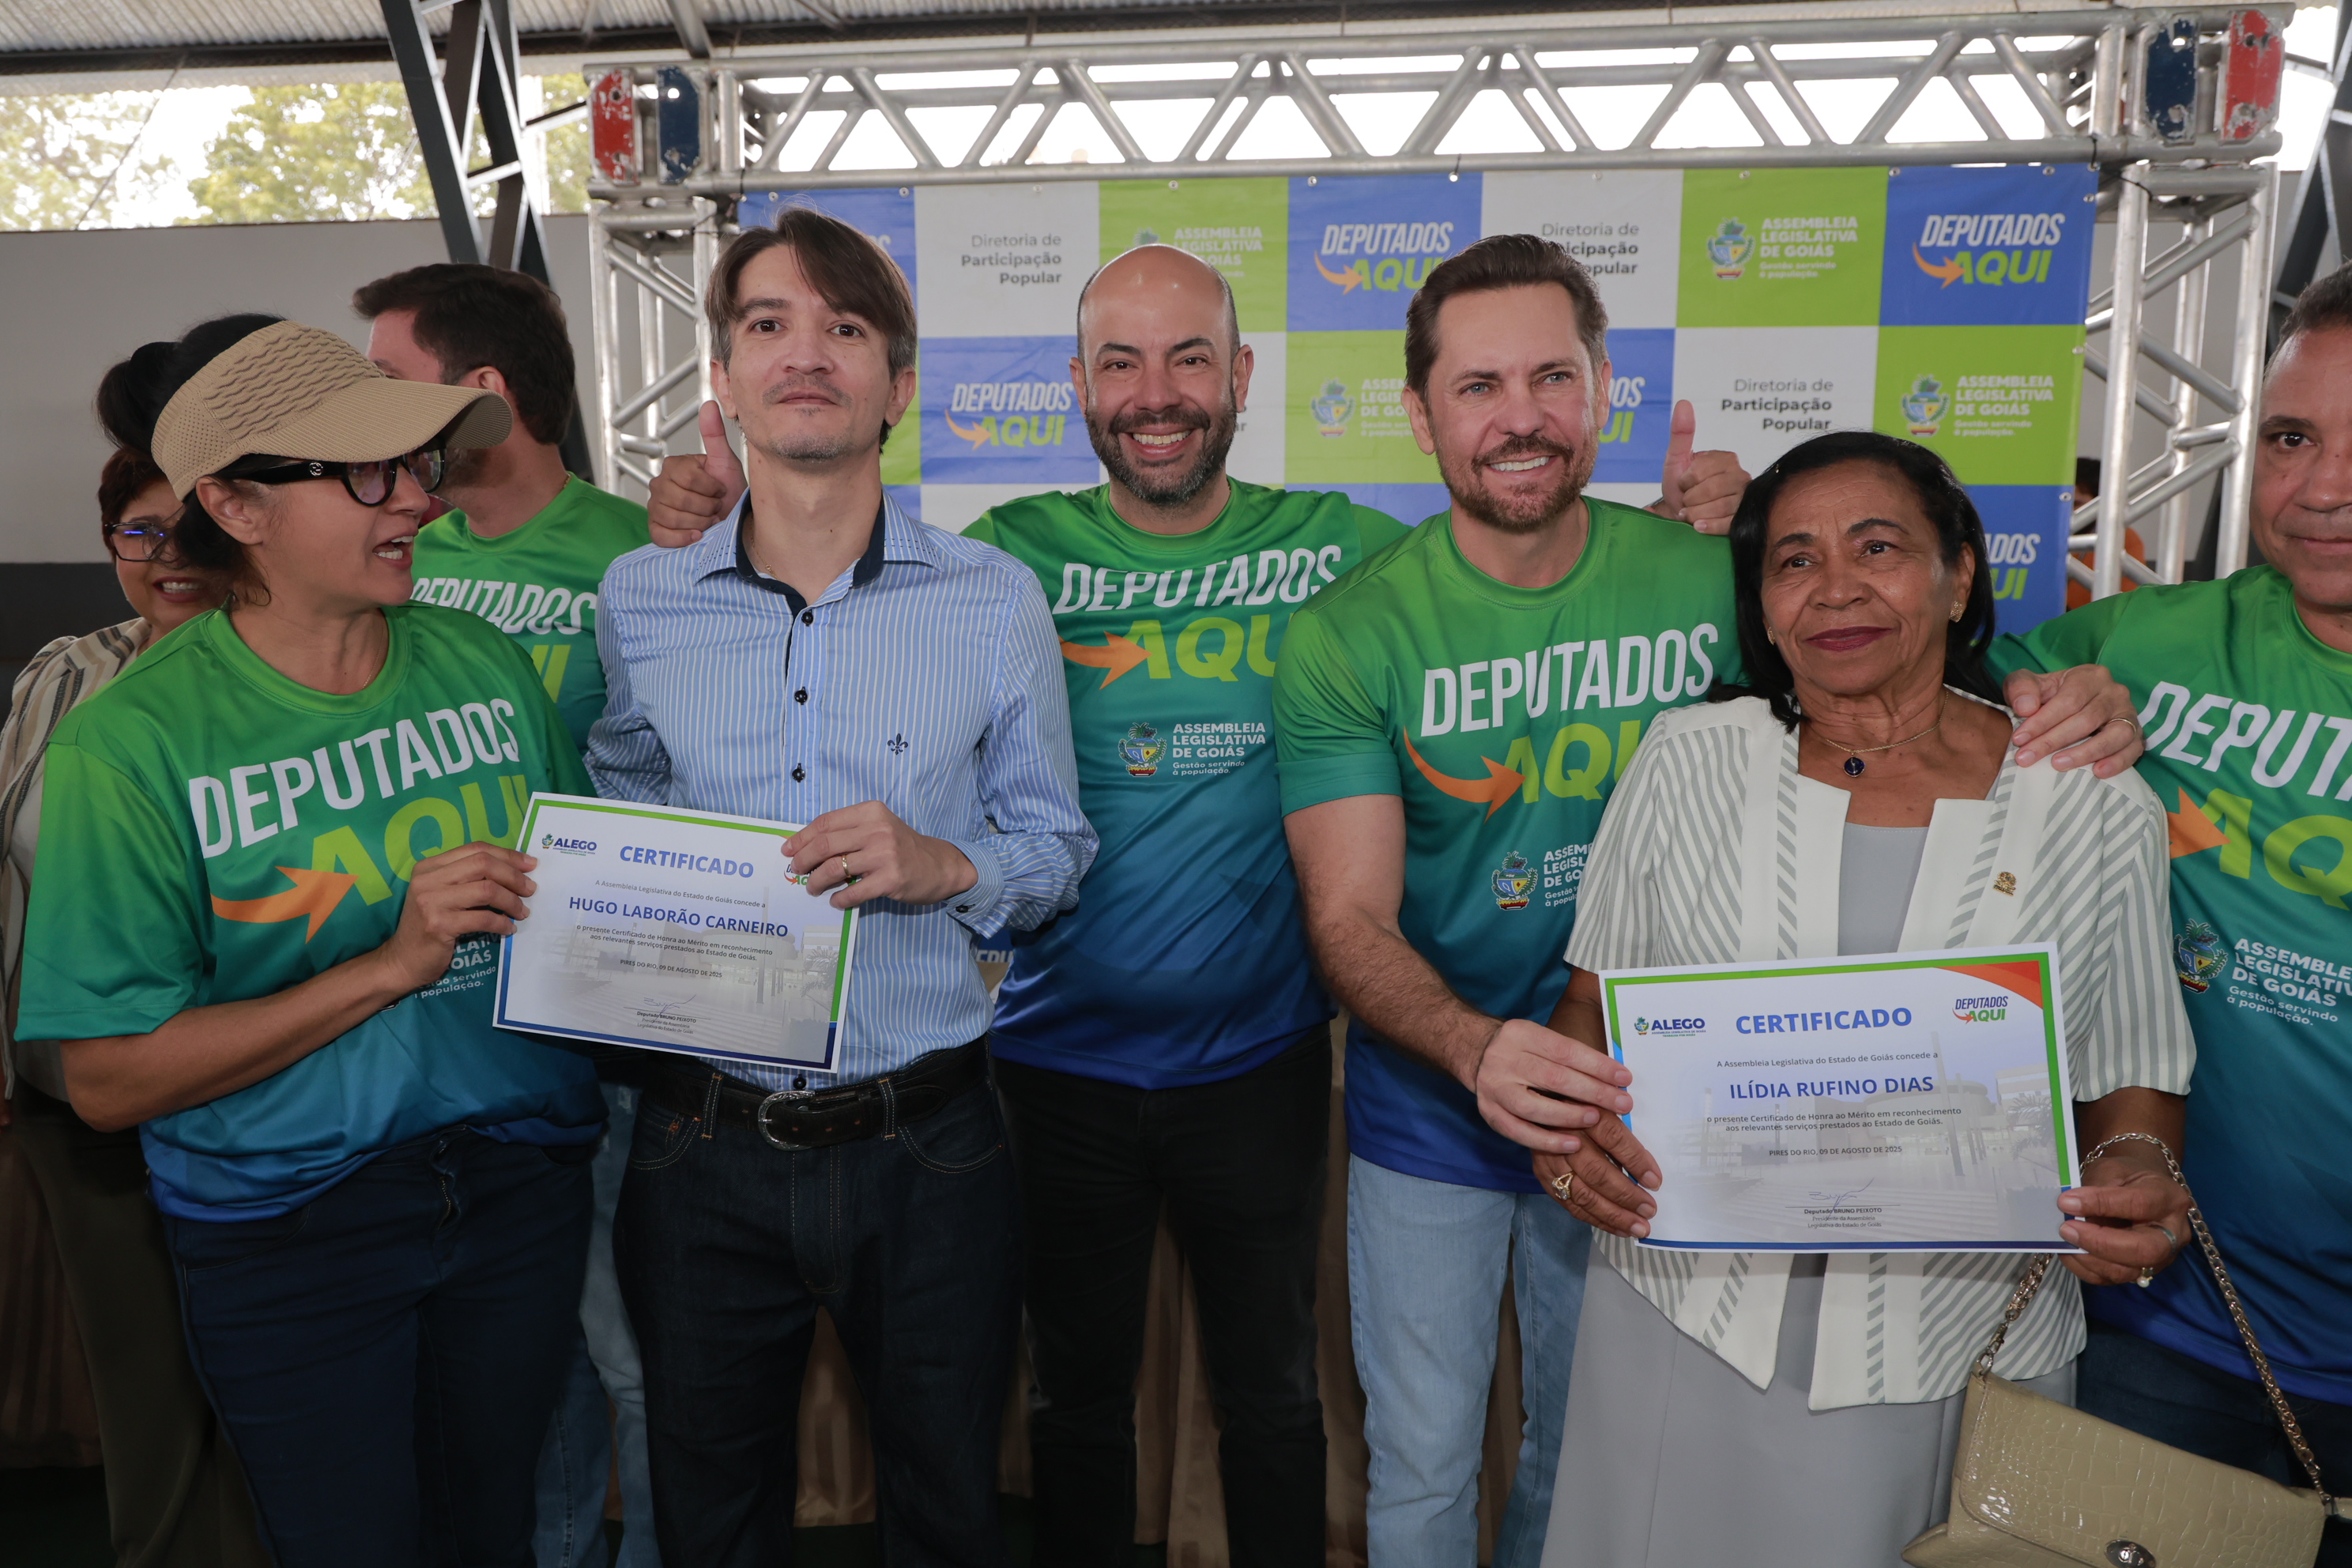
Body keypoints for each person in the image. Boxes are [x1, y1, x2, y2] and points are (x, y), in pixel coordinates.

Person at [639, 233, 1755, 1563]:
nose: (1157, 393)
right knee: (1071, 1402)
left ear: (1242, 377)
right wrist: (719, 524)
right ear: (1077, 386)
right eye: (1121, 363)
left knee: (1275, 1397)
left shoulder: (1343, 550)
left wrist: (1691, 529)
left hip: (1260, 1061)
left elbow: (1504, 547)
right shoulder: (1004, 562)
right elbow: (839, 620)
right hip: (1048, 1067)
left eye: (1188, 360)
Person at [1269, 236, 2147, 1566]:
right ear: (1419, 411)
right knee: (1425, 1461)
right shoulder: (1352, 628)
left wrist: (2069, 694)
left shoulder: (1711, 572)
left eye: (1552, 377)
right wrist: (1478, 1050)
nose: (1520, 415)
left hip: (1677, 1136)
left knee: (1580, 1451)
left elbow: (1904, 664)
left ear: (1603, 389)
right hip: (1439, 1101)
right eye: (1479, 385)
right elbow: (1349, 918)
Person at [1523, 428, 2196, 1566]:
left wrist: (2135, 1174)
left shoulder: (2092, 807)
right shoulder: (1686, 761)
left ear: (1960, 574)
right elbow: (1591, 1015)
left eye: (1877, 547)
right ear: (1762, 602)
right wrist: (1572, 1145)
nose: (1835, 587)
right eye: (1793, 560)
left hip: (1955, 1344)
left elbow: (2135, 1076)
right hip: (1683, 1317)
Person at [13, 315, 608, 1568]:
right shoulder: (130, 743)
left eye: (418, 466)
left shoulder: (486, 664)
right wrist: (388, 968)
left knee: (490, 1538)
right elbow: (107, 1078)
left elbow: (582, 910)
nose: (418, 501)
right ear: (235, 506)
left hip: (516, 1188)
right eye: (367, 475)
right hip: (290, 1229)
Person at [587, 206, 1094, 1567]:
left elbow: (1057, 852)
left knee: (949, 1517)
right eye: (769, 325)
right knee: (710, 1524)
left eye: (846, 327)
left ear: (898, 387)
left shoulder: (994, 600)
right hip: (697, 1144)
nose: (805, 354)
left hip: (930, 1145)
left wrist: (949, 865)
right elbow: (621, 798)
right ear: (724, 376)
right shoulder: (639, 597)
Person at [2000, 263, 2352, 1563]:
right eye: (2292, 438)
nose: (2321, 490)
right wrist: (2045, 701)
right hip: (2169, 1325)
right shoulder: (2150, 646)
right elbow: (1911, 687)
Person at [356, 262, 658, 1568]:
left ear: (480, 393)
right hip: (431, 1037)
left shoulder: (644, 553)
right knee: (521, 1369)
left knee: (633, 1359)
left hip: (599, 1029)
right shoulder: (387, 562)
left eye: (387, 384)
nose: (364, 415)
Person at [2, 444, 265, 1568]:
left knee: (270, 1404)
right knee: (146, 1405)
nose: (168, 558)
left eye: (189, 531)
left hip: (247, 1088)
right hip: (75, 1097)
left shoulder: (280, 679)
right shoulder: (62, 672)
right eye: (139, 532)